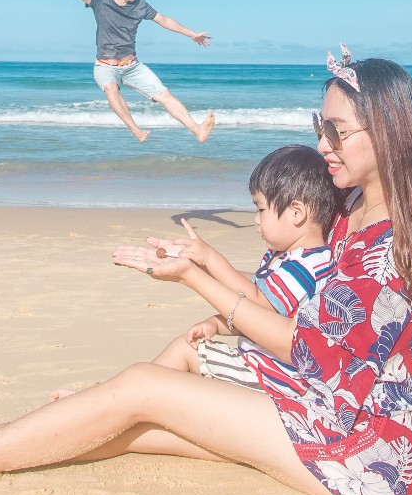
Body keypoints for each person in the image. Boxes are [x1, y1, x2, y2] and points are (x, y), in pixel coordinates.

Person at [0, 51, 412, 495]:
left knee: (142, 389)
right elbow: (307, 320)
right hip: (328, 406)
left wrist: (199, 283)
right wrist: (206, 268)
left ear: (388, 136)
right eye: (322, 124)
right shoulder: (350, 209)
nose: (322, 143)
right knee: (140, 423)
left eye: (336, 131)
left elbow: (312, 350)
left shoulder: (386, 247)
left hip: (361, 452)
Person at [59, 143, 339, 394]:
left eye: (261, 209)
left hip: (275, 378)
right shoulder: (290, 257)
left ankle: (107, 401)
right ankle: (111, 398)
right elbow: (256, 298)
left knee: (186, 352)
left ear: (297, 212)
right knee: (179, 368)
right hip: (262, 367)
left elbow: (258, 304)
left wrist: (209, 259)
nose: (256, 220)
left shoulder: (308, 266)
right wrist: (213, 321)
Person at [61, 0, 216, 144]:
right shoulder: (101, 0)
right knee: (111, 89)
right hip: (105, 66)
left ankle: (197, 130)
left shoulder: (140, 4)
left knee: (164, 95)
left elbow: (164, 20)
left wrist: (192, 34)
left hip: (132, 66)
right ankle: (135, 130)